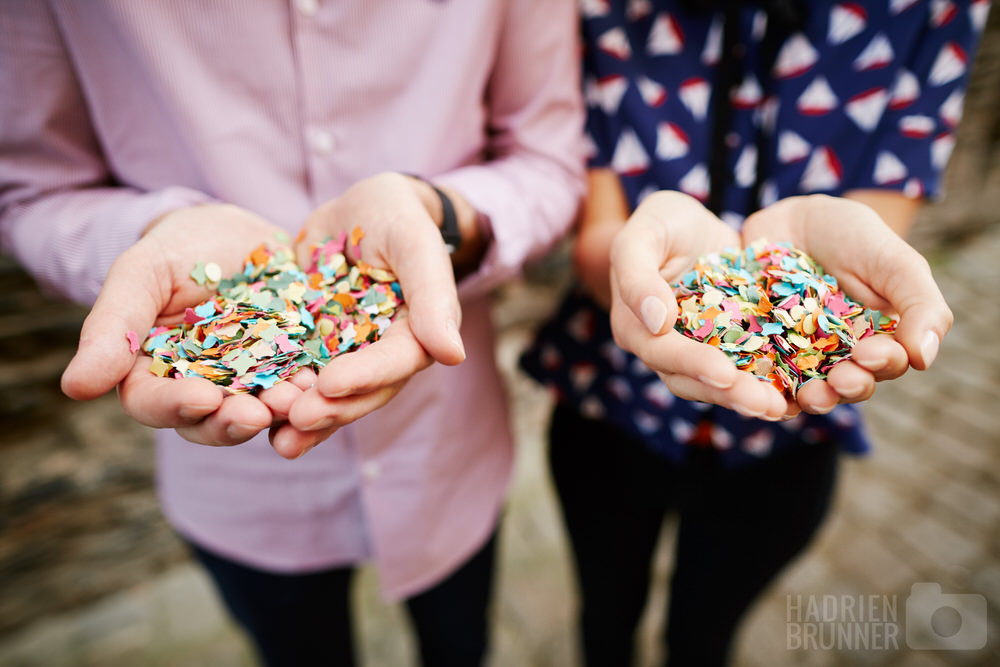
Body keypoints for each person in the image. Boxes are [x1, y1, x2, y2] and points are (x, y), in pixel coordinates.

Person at [0, 2, 584, 665]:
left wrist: (442, 217)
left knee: (460, 644)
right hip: (239, 487)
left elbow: (548, 159)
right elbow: (34, 193)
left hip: (447, 446)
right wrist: (151, 240)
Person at [521, 1, 984, 665]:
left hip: (781, 453)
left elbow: (872, 236)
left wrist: (821, 292)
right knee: (602, 627)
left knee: (704, 643)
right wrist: (636, 270)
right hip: (609, 412)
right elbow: (600, 231)